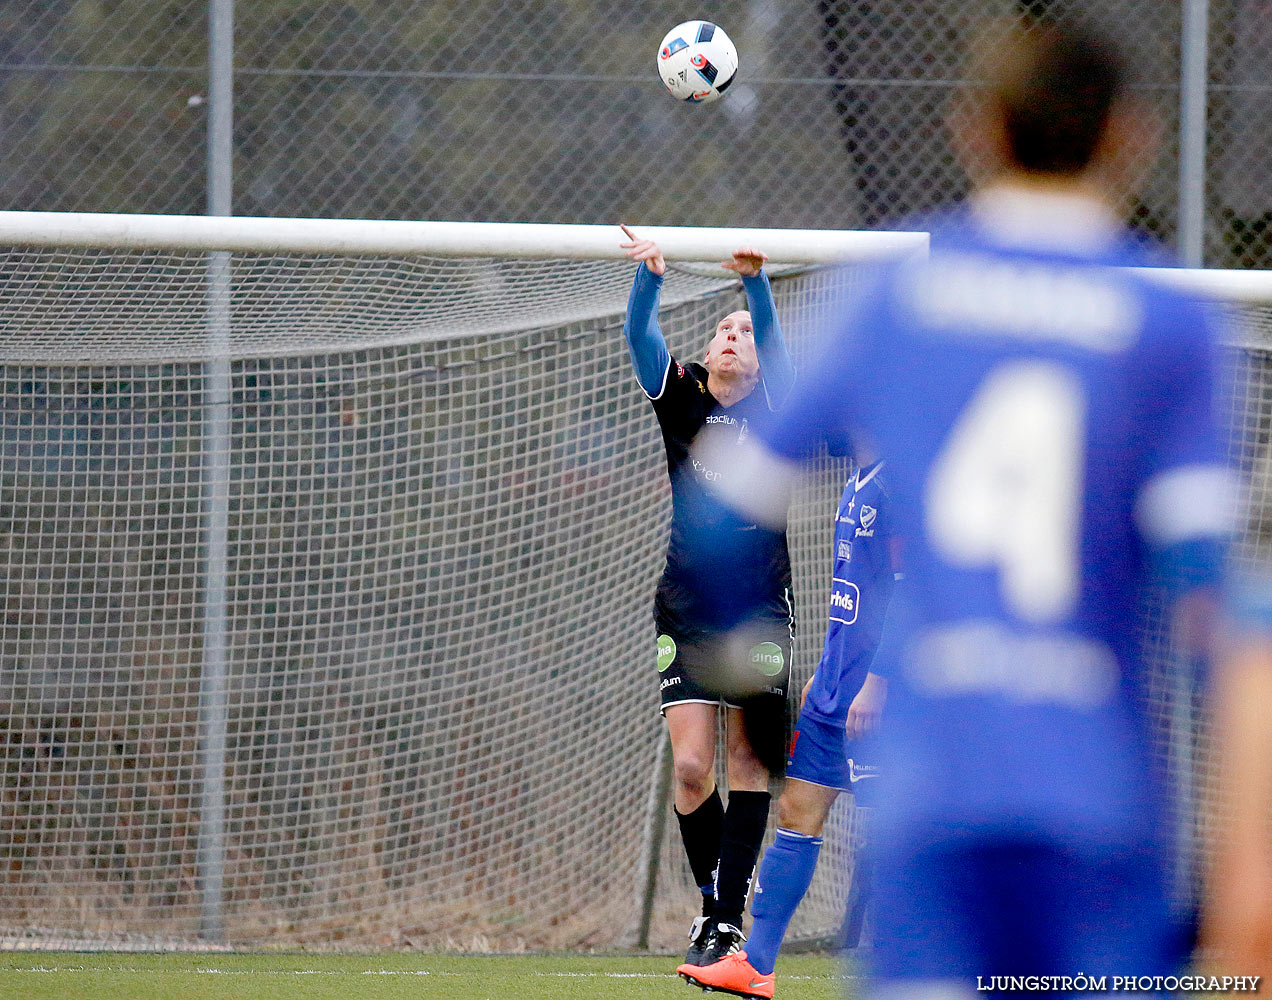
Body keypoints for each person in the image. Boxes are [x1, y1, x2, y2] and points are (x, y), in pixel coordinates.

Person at [692, 16, 1234, 995]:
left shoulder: (898, 294)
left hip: (933, 796)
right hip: (1099, 801)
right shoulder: (1169, 322)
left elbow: (721, 516)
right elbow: (1209, 606)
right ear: (1131, 137)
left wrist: (762, 727)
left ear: (974, 129)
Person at [618, 223, 797, 969]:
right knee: (693, 768)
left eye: (744, 331)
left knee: (749, 763)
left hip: (757, 611)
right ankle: (716, 905)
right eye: (723, 328)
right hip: (686, 610)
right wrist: (650, 278)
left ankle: (723, 921)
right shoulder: (683, 393)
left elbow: (782, 357)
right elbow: (639, 337)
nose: (730, 336)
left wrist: (755, 285)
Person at [679, 444, 900, 999]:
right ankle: (756, 966)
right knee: (798, 815)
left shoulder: (901, 478)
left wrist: (880, 679)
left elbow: (913, 591)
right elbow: (851, 598)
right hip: (834, 693)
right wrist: (827, 671)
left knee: (894, 835)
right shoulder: (858, 480)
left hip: (880, 694)